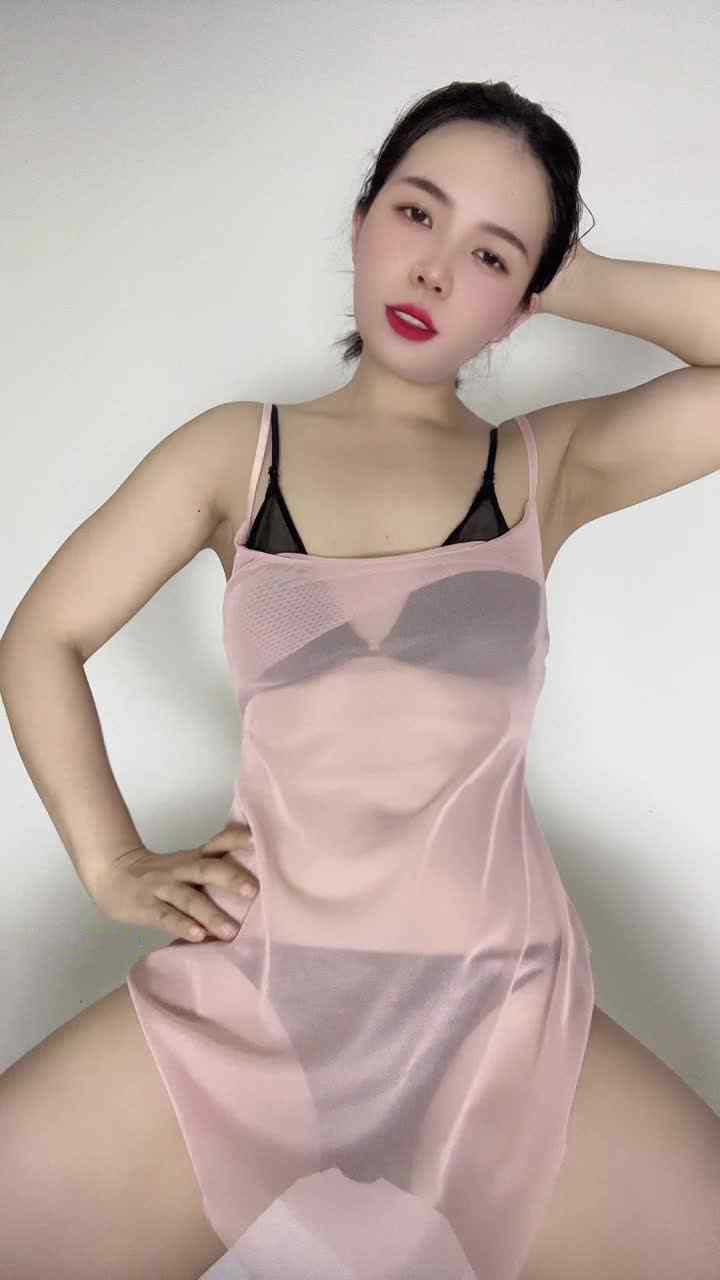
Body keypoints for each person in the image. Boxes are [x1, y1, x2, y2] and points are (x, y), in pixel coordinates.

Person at [2, 80, 719, 1280]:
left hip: (502, 1020)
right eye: (417, 212)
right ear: (362, 217)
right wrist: (111, 861)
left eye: (489, 253)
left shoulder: (550, 466)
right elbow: (41, 639)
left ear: (524, 297)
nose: (435, 268)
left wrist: (569, 275)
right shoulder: (235, 451)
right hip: (249, 1005)